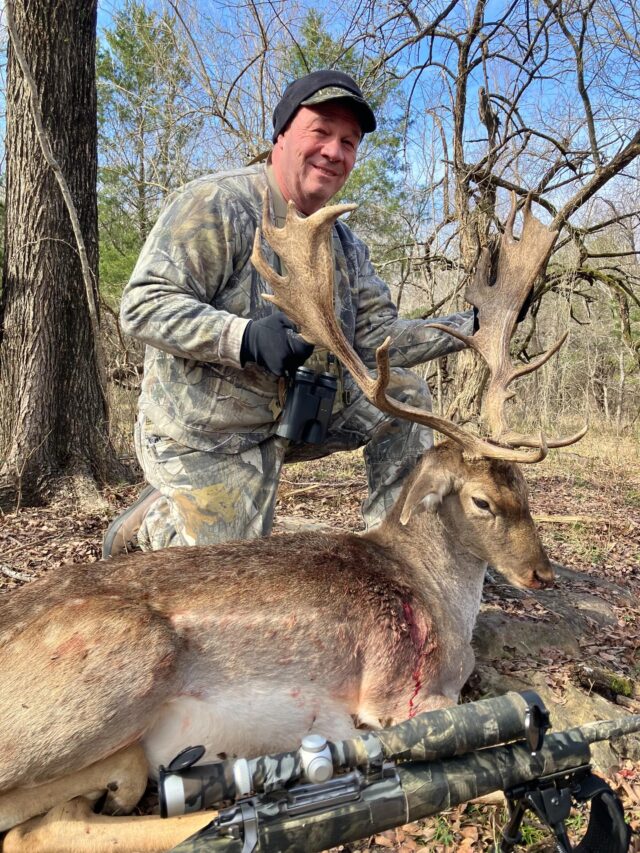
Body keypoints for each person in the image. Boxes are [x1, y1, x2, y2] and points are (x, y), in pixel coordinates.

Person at [103, 69, 475, 557]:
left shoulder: (345, 244)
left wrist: (471, 326)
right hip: (206, 436)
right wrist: (243, 337)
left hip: (293, 421)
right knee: (228, 572)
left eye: (349, 141)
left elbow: (380, 338)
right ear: (280, 136)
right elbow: (145, 303)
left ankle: (396, 552)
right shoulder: (219, 203)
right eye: (320, 131)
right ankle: (154, 520)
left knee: (403, 389)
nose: (334, 151)